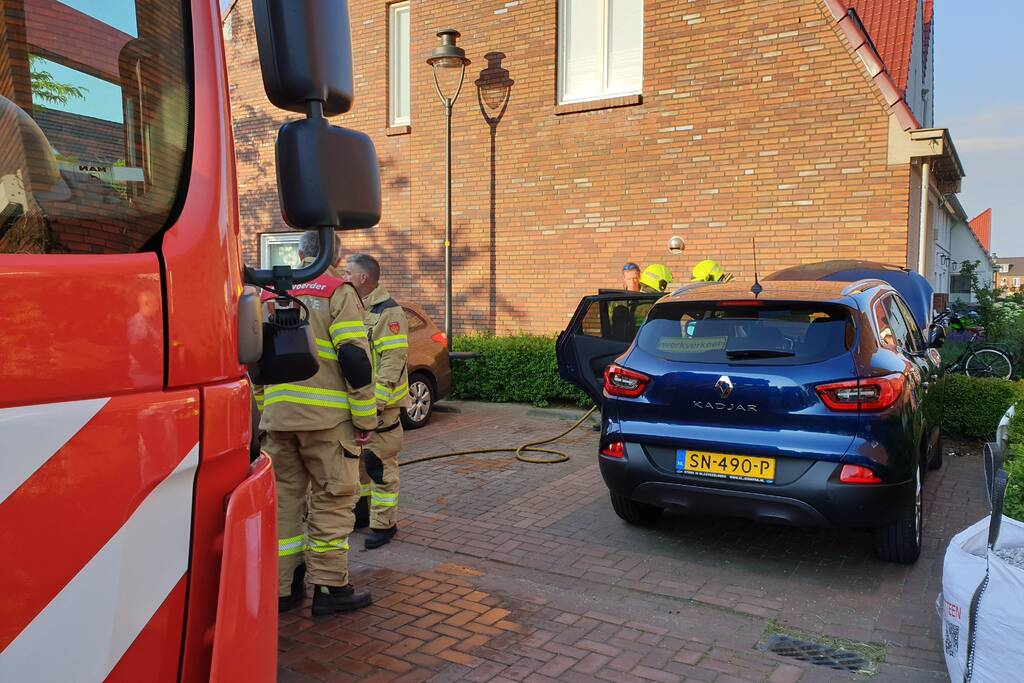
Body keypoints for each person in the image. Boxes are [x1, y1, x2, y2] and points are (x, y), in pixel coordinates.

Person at [260, 230, 378, 616]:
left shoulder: (269, 295)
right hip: (327, 424)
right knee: (333, 501)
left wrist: (265, 409)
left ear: (299, 253)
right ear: (335, 257)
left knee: (284, 505)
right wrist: (365, 418)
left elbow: (255, 364)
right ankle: (329, 589)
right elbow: (355, 361)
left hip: (278, 423)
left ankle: (283, 589)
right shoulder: (337, 292)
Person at [342, 254, 410, 549]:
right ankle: (362, 514)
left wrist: (376, 403)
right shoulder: (356, 308)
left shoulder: (389, 313)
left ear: (363, 279)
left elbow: (392, 364)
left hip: (381, 410)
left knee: (379, 465)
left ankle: (384, 525)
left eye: (348, 272)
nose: (345, 277)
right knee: (358, 466)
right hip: (360, 407)